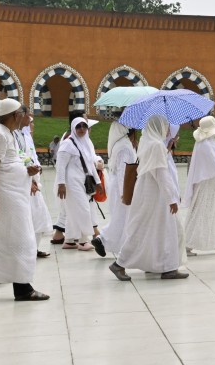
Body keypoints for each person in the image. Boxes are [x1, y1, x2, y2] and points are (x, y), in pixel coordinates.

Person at [110, 114, 189, 280]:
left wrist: (166, 148)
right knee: (154, 229)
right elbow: (161, 173)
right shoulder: (156, 145)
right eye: (165, 125)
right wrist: (172, 199)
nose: (167, 129)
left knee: (153, 230)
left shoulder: (148, 142)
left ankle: (165, 266)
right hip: (157, 196)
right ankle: (120, 264)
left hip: (146, 193)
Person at [0, 98, 49, 301]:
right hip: (7, 197)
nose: (23, 117)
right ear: (15, 115)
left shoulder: (8, 133)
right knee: (20, 239)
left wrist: (27, 171)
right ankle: (22, 288)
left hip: (16, 195)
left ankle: (21, 286)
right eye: (20, 114)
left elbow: (9, 163)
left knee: (13, 240)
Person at [184, 116, 215, 256]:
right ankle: (186, 243)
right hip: (207, 183)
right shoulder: (205, 145)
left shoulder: (206, 142)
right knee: (201, 212)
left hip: (209, 182)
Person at [55, 117, 101, 251]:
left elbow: (90, 165)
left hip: (82, 181)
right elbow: (60, 166)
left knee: (74, 212)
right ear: (73, 128)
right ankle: (83, 241)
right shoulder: (67, 144)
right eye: (78, 126)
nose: (82, 129)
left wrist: (97, 182)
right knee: (83, 209)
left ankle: (69, 241)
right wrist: (61, 184)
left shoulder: (85, 143)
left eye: (84, 126)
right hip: (71, 183)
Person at [92, 122, 137, 258]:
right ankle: (102, 239)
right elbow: (124, 171)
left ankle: (107, 241)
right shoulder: (124, 147)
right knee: (122, 218)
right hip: (122, 187)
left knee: (121, 218)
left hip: (118, 186)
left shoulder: (119, 144)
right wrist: (125, 193)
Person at [17, 110, 52, 257]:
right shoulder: (16, 136)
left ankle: (34, 248)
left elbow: (32, 155)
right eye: (30, 121)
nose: (32, 124)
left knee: (38, 215)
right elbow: (20, 158)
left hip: (34, 179)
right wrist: (30, 180)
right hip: (25, 181)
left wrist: (38, 167)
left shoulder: (26, 136)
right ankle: (27, 250)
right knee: (30, 216)